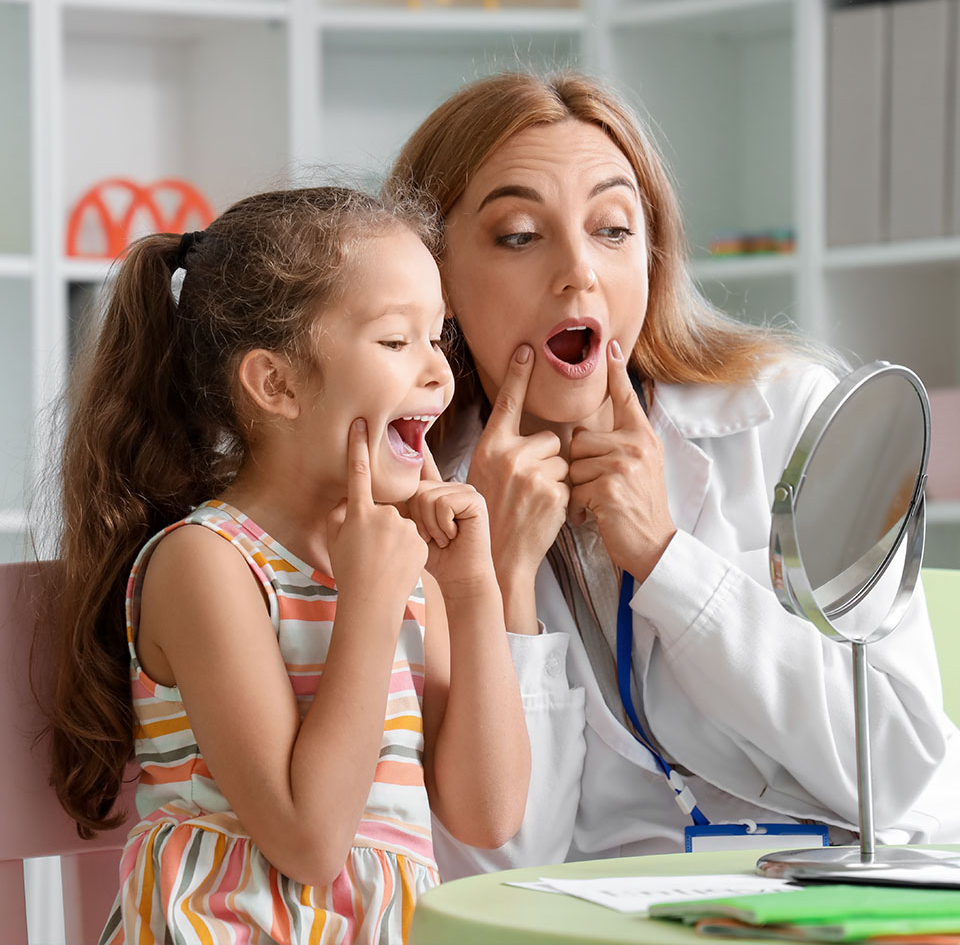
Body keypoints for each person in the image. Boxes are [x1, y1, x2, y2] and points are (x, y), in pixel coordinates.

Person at [384, 71, 960, 878]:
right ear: (435, 278)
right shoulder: (415, 504)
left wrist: (665, 558)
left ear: (652, 256)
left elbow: (898, 776)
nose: (578, 271)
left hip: (855, 891)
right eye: (519, 234)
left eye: (613, 229)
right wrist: (499, 586)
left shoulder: (789, 415)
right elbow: (500, 873)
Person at [45, 186, 530, 943]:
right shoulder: (207, 565)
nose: (439, 373)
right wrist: (368, 606)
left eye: (440, 338)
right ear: (278, 384)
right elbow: (307, 843)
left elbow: (489, 814)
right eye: (397, 341)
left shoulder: (401, 567)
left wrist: (470, 589)